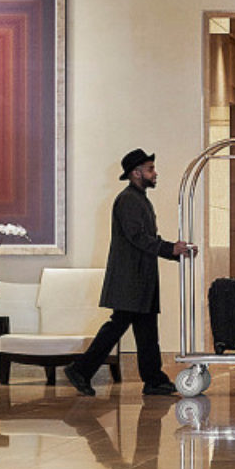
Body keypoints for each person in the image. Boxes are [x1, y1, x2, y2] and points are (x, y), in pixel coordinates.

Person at [65, 148, 196, 396]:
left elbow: (146, 238)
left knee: (146, 330)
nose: (154, 173)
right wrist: (171, 248)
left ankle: (153, 379)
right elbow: (138, 238)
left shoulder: (139, 199)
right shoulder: (128, 200)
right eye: (150, 169)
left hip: (140, 278)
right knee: (118, 325)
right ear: (136, 173)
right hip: (130, 278)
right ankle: (81, 370)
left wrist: (175, 250)